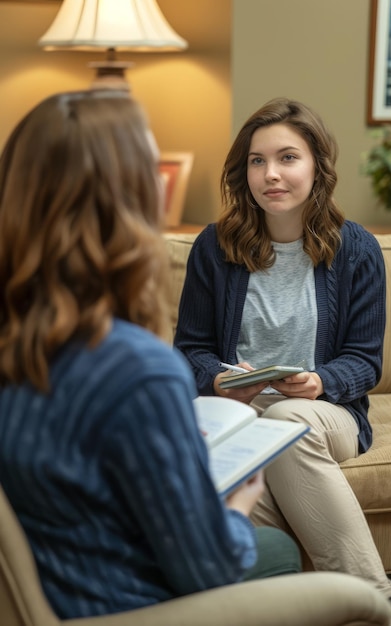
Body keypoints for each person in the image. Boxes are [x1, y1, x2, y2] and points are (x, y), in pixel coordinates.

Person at [0, 90, 301, 620]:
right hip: (122, 606)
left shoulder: (19, 337)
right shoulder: (135, 368)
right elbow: (208, 567)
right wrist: (238, 504)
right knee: (274, 549)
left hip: (55, 587)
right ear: (133, 199)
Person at [174, 97, 391, 622]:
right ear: (243, 171)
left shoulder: (356, 249)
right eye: (257, 161)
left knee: (286, 419)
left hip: (327, 414)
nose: (271, 174)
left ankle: (376, 608)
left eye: (287, 158)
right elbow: (189, 352)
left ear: (317, 167)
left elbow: (365, 363)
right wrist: (219, 379)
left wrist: (319, 382)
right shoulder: (214, 247)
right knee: (242, 469)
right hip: (242, 416)